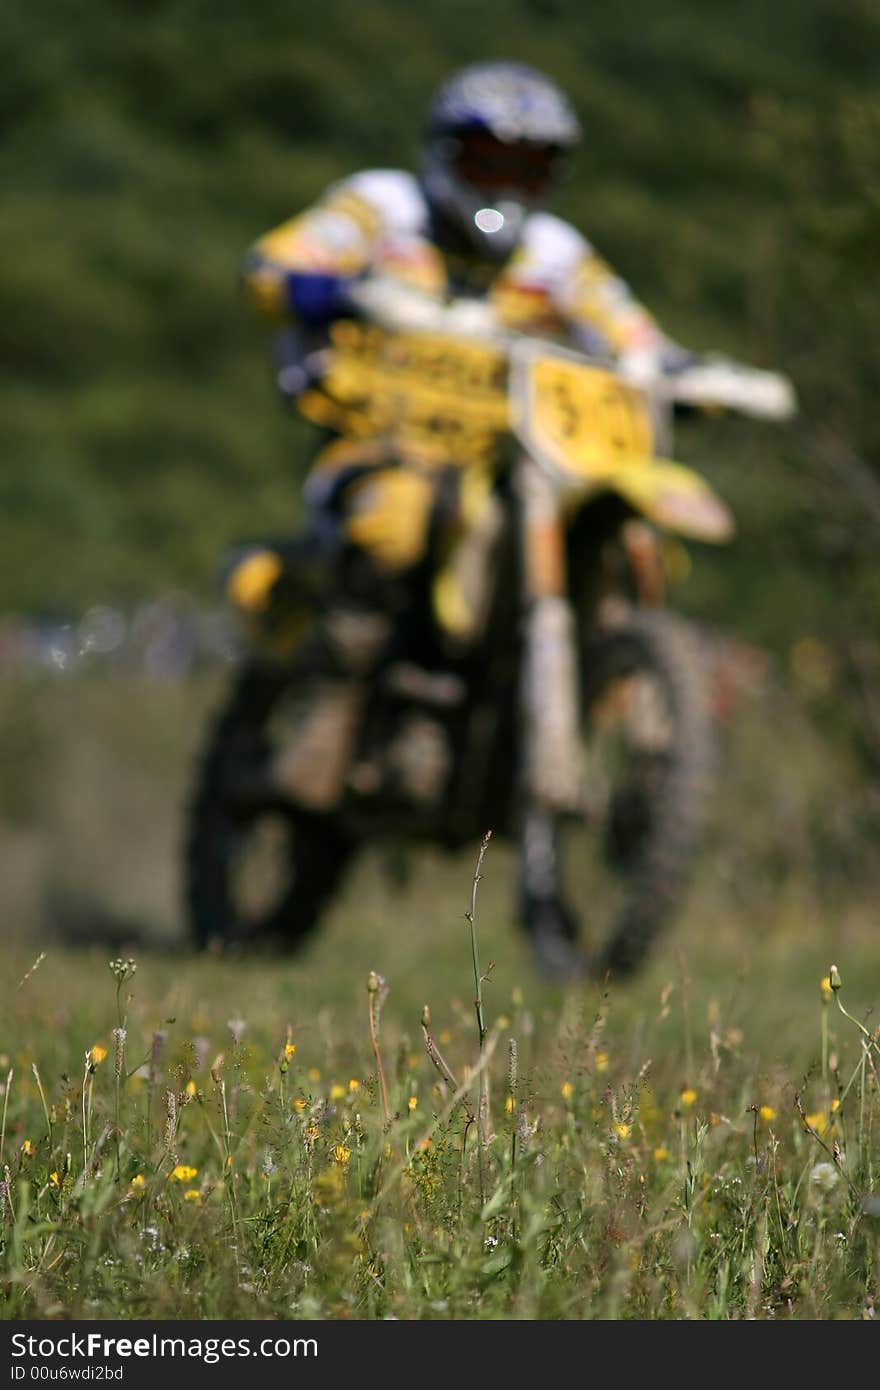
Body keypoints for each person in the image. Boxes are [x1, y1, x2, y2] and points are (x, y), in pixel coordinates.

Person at [237, 60, 688, 810]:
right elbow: (266, 271)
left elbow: (633, 333)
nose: (506, 184)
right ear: (448, 155)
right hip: (378, 446)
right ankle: (332, 709)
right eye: (489, 162)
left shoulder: (555, 256)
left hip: (506, 461)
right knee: (397, 523)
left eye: (529, 167)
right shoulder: (381, 210)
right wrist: (344, 291)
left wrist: (689, 372)